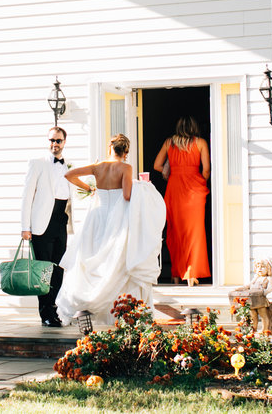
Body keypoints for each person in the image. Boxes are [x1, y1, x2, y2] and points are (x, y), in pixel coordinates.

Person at [56, 134, 166, 325]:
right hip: (116, 218)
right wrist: (143, 187)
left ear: (110, 148)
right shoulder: (125, 167)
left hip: (97, 218)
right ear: (126, 152)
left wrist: (89, 188)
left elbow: (68, 175)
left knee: (94, 258)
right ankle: (119, 312)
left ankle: (89, 307)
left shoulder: (97, 166)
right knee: (117, 262)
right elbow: (126, 194)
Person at [20, 126, 76, 327]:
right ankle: (45, 314)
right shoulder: (37, 164)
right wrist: (25, 227)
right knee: (43, 271)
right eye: (51, 140)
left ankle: (55, 310)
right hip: (41, 226)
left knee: (58, 270)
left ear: (64, 142)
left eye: (58, 140)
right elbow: (27, 197)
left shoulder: (69, 165)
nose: (55, 144)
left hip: (61, 222)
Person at [153, 116, 210, 286]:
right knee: (195, 233)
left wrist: (172, 169)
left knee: (175, 233)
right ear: (194, 128)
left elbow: (157, 165)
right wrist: (200, 183)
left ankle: (177, 273)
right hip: (195, 190)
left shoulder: (169, 142)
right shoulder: (200, 143)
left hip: (174, 189)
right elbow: (206, 170)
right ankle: (192, 274)